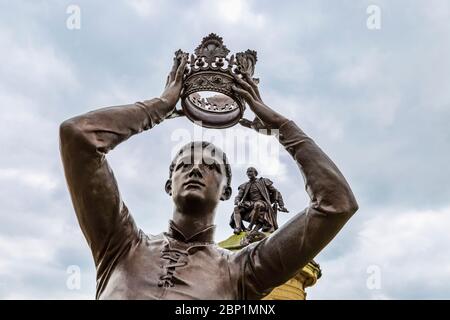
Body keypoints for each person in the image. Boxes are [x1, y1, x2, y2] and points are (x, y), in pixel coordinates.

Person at [59, 55, 358, 299]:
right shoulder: (121, 246)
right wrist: (159, 107)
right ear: (168, 185)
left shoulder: (241, 270)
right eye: (184, 164)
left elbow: (336, 204)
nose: (196, 169)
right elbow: (78, 137)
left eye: (211, 166)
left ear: (227, 192)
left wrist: (280, 127)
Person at [230, 167, 288, 234]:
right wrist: (237, 201)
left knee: (257, 204)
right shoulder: (244, 185)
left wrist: (281, 205)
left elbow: (276, 192)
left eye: (251, 171)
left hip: (263, 203)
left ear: (255, 173)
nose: (249, 173)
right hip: (250, 203)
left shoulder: (263, 181)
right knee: (236, 208)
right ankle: (238, 228)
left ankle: (250, 226)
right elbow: (238, 196)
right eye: (248, 172)